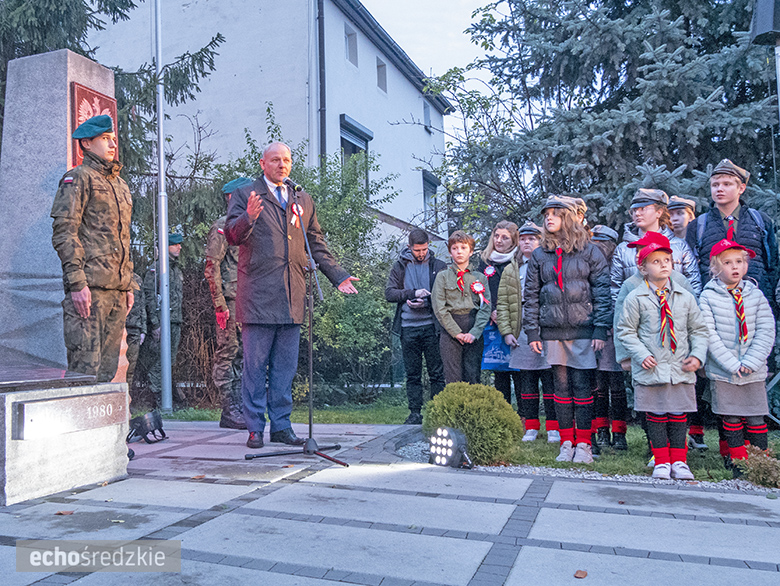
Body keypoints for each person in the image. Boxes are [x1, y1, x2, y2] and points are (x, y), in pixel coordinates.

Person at [225, 142, 358, 450]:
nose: (281, 165)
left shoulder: (302, 198)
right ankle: (255, 428)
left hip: (293, 295)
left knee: (285, 368)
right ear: (263, 163)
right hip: (258, 295)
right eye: (275, 160)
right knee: (255, 368)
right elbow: (232, 235)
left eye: (286, 160)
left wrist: (337, 275)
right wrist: (248, 218)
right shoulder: (248, 195)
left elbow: (316, 243)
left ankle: (282, 426)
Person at [522, 195, 611, 464]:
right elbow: (532, 295)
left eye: (555, 213)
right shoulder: (540, 254)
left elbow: (602, 293)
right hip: (552, 331)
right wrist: (533, 332)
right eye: (547, 213)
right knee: (560, 387)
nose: (549, 218)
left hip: (583, 330)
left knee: (582, 386)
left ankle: (584, 443)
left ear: (569, 217)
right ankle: (566, 442)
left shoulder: (590, 251)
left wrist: (600, 329)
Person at [615, 235, 708, 480]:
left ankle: (680, 460)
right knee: (655, 414)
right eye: (656, 261)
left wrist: (697, 355)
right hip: (651, 367)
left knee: (678, 414)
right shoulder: (636, 296)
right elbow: (625, 330)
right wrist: (640, 354)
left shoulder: (684, 296)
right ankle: (661, 461)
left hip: (680, 367)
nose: (664, 265)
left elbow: (698, 329)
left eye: (667, 260)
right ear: (642, 268)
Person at [51, 114, 135, 382]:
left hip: (117, 292)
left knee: (107, 373)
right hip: (90, 291)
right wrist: (77, 284)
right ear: (86, 143)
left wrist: (129, 284)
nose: (112, 145)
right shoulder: (78, 178)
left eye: (112, 139)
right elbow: (65, 232)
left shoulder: (120, 185)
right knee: (83, 372)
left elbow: (123, 239)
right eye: (104, 139)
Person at [699, 240, 775, 477]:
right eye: (728, 263)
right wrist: (731, 363)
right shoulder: (708, 297)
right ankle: (738, 460)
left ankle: (761, 462)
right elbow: (708, 333)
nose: (735, 267)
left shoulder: (755, 294)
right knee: (730, 415)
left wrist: (752, 361)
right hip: (724, 369)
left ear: (746, 265)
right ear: (715, 268)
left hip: (754, 369)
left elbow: (766, 328)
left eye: (740, 262)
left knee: (755, 415)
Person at [686, 159, 779, 314]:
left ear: (741, 188)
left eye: (726, 184)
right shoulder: (697, 226)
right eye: (715, 185)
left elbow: (773, 264)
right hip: (714, 308)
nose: (719, 189)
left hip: (756, 305)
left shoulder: (761, 221)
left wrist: (769, 300)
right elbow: (692, 270)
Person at [497, 221, 558, 443]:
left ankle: (553, 426)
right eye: (523, 238)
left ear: (540, 241)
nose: (526, 242)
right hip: (520, 327)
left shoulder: (549, 264)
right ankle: (531, 425)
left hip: (547, 327)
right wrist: (506, 331)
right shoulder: (511, 268)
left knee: (549, 378)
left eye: (532, 238)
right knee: (527, 380)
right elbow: (503, 302)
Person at [205, 178, 253, 430]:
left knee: (244, 356)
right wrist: (219, 305)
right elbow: (211, 267)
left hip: (249, 302)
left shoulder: (250, 226)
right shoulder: (223, 228)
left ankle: (240, 406)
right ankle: (228, 408)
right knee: (227, 353)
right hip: (230, 302)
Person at [385, 228, 446, 425]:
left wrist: (426, 302)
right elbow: (390, 294)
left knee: (437, 373)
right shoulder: (399, 266)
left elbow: (445, 296)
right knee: (413, 373)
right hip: (408, 327)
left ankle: (437, 412)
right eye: (417, 250)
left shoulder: (439, 266)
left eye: (424, 250)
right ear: (409, 247)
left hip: (431, 327)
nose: (421, 254)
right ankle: (414, 413)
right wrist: (411, 294)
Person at [611, 188, 700, 304]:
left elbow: (693, 285)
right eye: (634, 210)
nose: (637, 213)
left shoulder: (679, 246)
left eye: (643, 208)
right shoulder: (623, 249)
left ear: (659, 212)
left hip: (675, 317)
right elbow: (616, 292)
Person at [432, 230, 491, 384]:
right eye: (455, 248)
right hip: (450, 329)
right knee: (453, 377)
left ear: (471, 251)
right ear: (450, 252)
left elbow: (485, 307)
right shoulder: (442, 276)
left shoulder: (480, 278)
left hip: (473, 326)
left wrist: (474, 333)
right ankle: (454, 408)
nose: (459, 251)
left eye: (463, 248)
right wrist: (456, 332)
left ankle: (473, 408)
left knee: (472, 374)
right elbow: (439, 307)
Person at [590, 225, 628, 451]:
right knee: (597, 385)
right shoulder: (589, 264)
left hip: (616, 330)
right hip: (594, 330)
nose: (598, 248)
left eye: (602, 244)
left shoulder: (618, 265)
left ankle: (620, 433)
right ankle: (601, 430)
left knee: (616, 384)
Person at [477, 221, 521, 405]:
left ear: (513, 240)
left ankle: (524, 417)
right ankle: (505, 412)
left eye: (505, 237)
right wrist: (491, 310)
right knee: (500, 370)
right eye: (496, 236)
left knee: (519, 371)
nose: (499, 241)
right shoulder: (485, 260)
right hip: (493, 321)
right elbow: (478, 289)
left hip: (515, 319)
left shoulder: (519, 259)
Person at [141, 233, 184, 407]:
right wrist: (155, 324)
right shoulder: (157, 269)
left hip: (175, 321)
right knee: (159, 360)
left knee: (170, 359)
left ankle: (167, 396)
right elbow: (150, 296)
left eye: (179, 244)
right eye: (175, 245)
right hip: (162, 322)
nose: (179, 247)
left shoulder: (175, 270)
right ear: (165, 247)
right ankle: (158, 397)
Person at [125, 273, 146, 391]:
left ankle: (127, 399)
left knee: (131, 367)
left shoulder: (137, 279)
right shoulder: (115, 277)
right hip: (120, 328)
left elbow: (142, 305)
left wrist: (143, 330)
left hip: (134, 330)